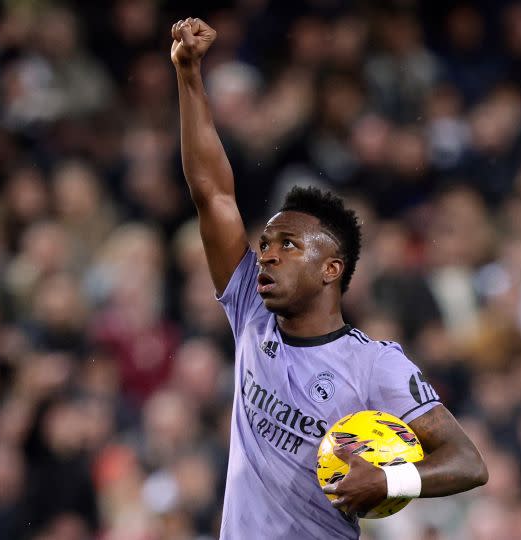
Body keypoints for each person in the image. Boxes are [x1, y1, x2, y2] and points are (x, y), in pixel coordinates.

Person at [169, 17, 488, 538]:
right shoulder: (251, 309)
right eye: (265, 244)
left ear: (330, 269)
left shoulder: (373, 364)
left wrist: (391, 483)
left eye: (287, 246)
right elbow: (214, 193)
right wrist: (188, 77)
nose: (266, 256)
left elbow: (468, 462)